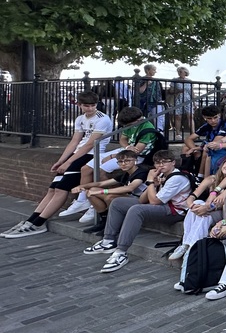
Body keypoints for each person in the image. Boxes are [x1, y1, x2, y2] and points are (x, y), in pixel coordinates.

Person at [3, 91, 113, 238]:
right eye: (86, 106)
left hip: (91, 155)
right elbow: (75, 141)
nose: (90, 108)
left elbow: (89, 145)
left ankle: (39, 223)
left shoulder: (102, 119)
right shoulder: (80, 119)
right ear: (79, 105)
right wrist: (61, 161)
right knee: (52, 189)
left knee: (61, 189)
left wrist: (68, 163)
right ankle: (31, 220)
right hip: (77, 155)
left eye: (93, 105)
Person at [84, 150, 193, 273]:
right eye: (157, 163)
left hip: (174, 211)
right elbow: (142, 199)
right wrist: (153, 184)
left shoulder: (177, 178)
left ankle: (121, 252)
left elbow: (154, 202)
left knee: (137, 210)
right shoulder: (161, 175)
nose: (161, 165)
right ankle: (108, 241)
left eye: (165, 162)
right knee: (118, 202)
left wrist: (150, 182)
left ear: (173, 163)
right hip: (162, 205)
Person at [169, 157, 226, 262]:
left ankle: (190, 247)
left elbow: (220, 205)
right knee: (198, 204)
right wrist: (192, 206)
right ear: (222, 164)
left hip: (224, 214)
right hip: (208, 211)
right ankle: (187, 245)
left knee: (204, 215)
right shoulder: (212, 179)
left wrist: (206, 208)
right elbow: (192, 196)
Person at [72, 149, 149, 235]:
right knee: (92, 190)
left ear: (135, 161)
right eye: (120, 162)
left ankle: (114, 225)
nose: (123, 164)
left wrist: (101, 191)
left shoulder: (141, 172)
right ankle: (105, 222)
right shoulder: (126, 173)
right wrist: (82, 186)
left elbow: (130, 188)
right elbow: (100, 183)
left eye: (127, 161)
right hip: (131, 197)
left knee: (110, 198)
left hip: (142, 200)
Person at [182, 105, 226, 177]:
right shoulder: (206, 126)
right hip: (206, 147)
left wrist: (196, 148)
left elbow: (214, 143)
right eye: (209, 118)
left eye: (215, 117)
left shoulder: (225, 125)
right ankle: (185, 172)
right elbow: (188, 139)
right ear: (204, 117)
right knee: (185, 148)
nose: (213, 121)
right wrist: (195, 150)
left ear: (219, 115)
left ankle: (200, 176)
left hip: (220, 148)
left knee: (205, 151)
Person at [136, 64, 166, 131]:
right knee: (143, 116)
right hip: (144, 101)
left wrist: (160, 99)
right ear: (147, 70)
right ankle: (142, 130)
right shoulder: (142, 79)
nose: (155, 71)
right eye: (153, 70)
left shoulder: (156, 80)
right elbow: (140, 91)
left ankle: (159, 130)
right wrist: (146, 84)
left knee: (158, 116)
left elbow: (158, 91)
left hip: (156, 100)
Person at [168, 66, 195, 135]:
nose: (179, 73)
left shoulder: (189, 81)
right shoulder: (175, 80)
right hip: (178, 99)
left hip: (188, 99)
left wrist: (194, 102)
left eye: (181, 72)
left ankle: (193, 133)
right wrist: (178, 90)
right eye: (178, 72)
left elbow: (192, 92)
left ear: (185, 73)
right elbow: (170, 91)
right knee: (178, 116)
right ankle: (178, 133)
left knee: (190, 116)